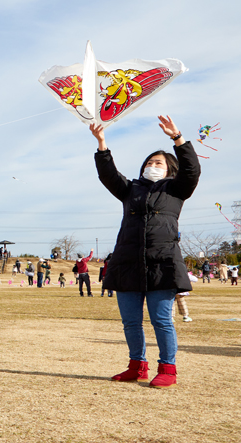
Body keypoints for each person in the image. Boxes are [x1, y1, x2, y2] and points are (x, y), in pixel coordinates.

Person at [92, 116, 200, 388]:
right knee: (130, 322)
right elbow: (108, 175)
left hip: (162, 264)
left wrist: (178, 139)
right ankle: (137, 365)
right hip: (127, 263)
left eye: (158, 163)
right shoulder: (130, 189)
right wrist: (102, 144)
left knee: (161, 321)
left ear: (169, 169)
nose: (152, 166)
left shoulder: (176, 189)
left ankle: (168, 369)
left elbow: (192, 171)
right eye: (149, 163)